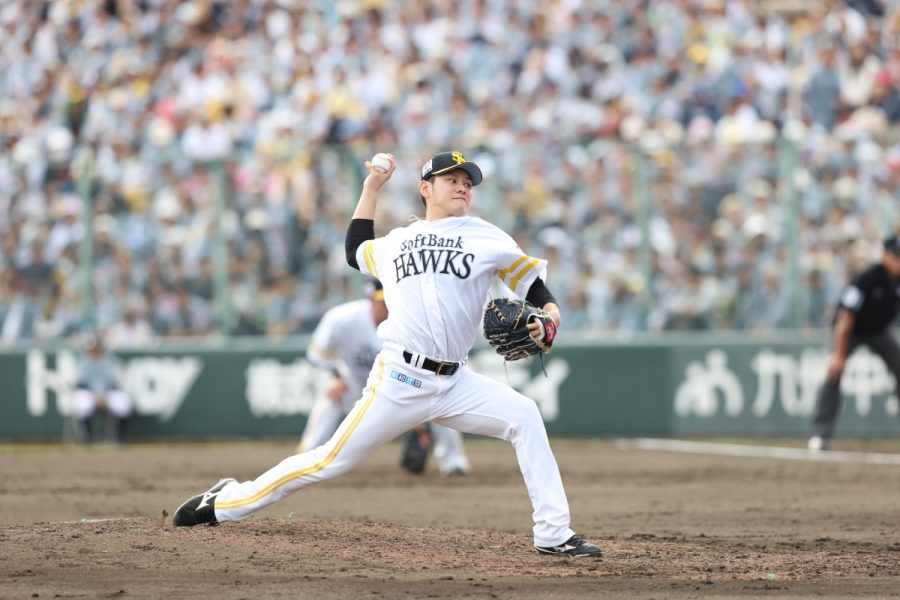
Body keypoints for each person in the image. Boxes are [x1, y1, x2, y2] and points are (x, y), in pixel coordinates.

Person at [173, 151, 603, 559]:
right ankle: (225, 502)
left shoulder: (487, 237)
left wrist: (550, 317)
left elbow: (532, 285)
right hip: (400, 379)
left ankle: (553, 534)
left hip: (455, 382)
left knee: (524, 415)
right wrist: (371, 188)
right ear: (425, 189)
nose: (462, 187)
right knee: (328, 461)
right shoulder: (398, 241)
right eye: (451, 180)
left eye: (467, 182)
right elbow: (354, 250)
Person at [299, 277, 471, 476]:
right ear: (370, 299)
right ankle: (306, 457)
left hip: (399, 381)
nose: (387, 305)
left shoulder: (413, 321)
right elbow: (317, 352)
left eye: (391, 298)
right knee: (332, 398)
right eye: (382, 300)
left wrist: (419, 420)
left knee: (438, 399)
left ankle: (453, 462)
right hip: (356, 380)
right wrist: (336, 376)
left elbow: (424, 370)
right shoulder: (342, 318)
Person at [808, 234, 900, 451]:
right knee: (834, 372)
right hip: (850, 331)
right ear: (885, 256)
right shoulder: (867, 278)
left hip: (879, 331)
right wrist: (838, 355)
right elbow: (846, 316)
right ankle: (820, 433)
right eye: (897, 256)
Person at [72, 336, 131, 443]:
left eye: (96, 349)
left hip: (108, 394)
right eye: (92, 349)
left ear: (101, 349)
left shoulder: (110, 361)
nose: (94, 352)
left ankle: (120, 438)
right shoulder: (83, 362)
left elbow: (115, 382)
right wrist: (96, 396)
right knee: (81, 402)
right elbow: (80, 383)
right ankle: (87, 438)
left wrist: (103, 395)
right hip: (90, 394)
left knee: (123, 402)